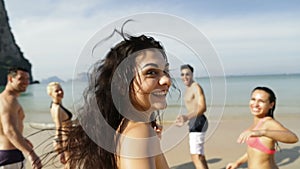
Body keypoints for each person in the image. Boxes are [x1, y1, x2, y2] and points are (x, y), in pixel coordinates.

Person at [61, 29, 172, 168]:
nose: (166, 80)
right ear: (121, 84)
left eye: (166, 71)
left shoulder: (128, 128)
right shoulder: (139, 134)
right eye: (151, 72)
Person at [226, 86, 298, 169]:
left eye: (261, 101)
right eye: (253, 99)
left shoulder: (268, 123)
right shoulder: (257, 123)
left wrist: (261, 132)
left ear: (271, 105)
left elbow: (293, 138)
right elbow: (254, 152)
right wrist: (237, 163)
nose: (255, 104)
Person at [0, 67, 42, 169]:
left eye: (27, 79)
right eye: (21, 78)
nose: (26, 82)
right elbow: (9, 130)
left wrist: (21, 139)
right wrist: (31, 153)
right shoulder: (10, 100)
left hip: (7, 154)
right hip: (10, 157)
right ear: (10, 79)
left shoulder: (3, 99)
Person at [175, 64, 209, 169]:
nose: (185, 77)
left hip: (198, 121)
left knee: (196, 156)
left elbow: (203, 107)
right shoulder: (188, 88)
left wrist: (186, 117)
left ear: (192, 75)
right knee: (200, 155)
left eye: (187, 74)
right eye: (182, 74)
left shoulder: (196, 87)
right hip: (194, 121)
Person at [46, 82, 72, 168]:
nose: (60, 92)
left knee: (69, 164)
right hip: (66, 139)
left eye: (61, 89)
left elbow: (64, 121)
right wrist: (58, 143)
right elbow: (59, 127)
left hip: (67, 138)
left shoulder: (55, 105)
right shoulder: (57, 108)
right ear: (51, 94)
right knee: (70, 164)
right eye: (56, 91)